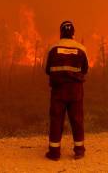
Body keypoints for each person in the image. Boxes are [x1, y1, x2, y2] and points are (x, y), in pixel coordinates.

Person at [45, 20, 88, 161]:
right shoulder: (81, 49)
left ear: (61, 32)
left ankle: (54, 153)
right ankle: (79, 151)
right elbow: (85, 69)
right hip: (75, 90)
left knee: (56, 120)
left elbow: (47, 70)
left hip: (58, 90)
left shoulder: (53, 48)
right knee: (77, 120)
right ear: (73, 33)